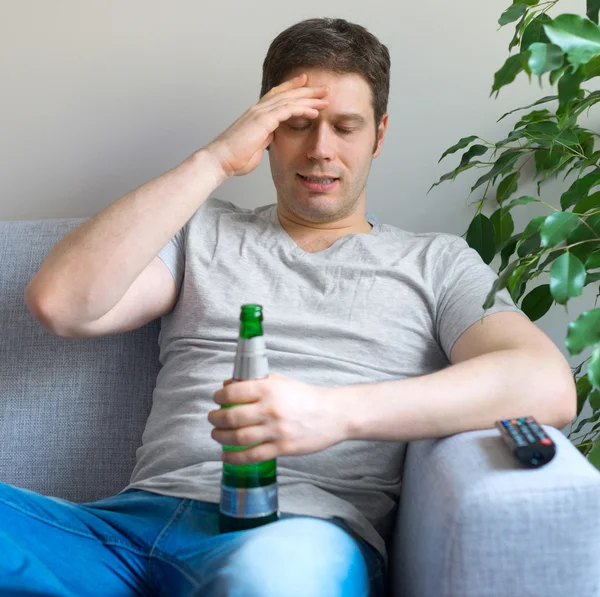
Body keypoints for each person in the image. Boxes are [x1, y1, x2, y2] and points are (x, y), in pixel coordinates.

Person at [5, 16, 574, 597]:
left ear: (378, 135)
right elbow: (62, 304)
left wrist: (336, 414)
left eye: (345, 127)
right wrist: (216, 160)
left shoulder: (437, 262)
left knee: (273, 578)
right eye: (297, 123)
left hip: (292, 534)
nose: (320, 149)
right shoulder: (203, 230)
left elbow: (543, 383)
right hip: (122, 534)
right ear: (267, 130)